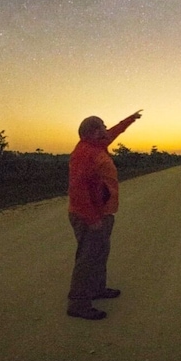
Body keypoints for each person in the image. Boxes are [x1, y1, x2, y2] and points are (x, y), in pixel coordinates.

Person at [66, 110, 142, 320]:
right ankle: (78, 303)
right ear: (89, 133)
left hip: (103, 212)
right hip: (89, 216)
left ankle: (97, 289)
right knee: (87, 259)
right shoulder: (84, 154)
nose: (105, 130)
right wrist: (93, 220)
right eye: (100, 127)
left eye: (104, 126)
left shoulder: (97, 145)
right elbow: (78, 191)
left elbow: (114, 132)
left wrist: (129, 120)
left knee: (100, 253)